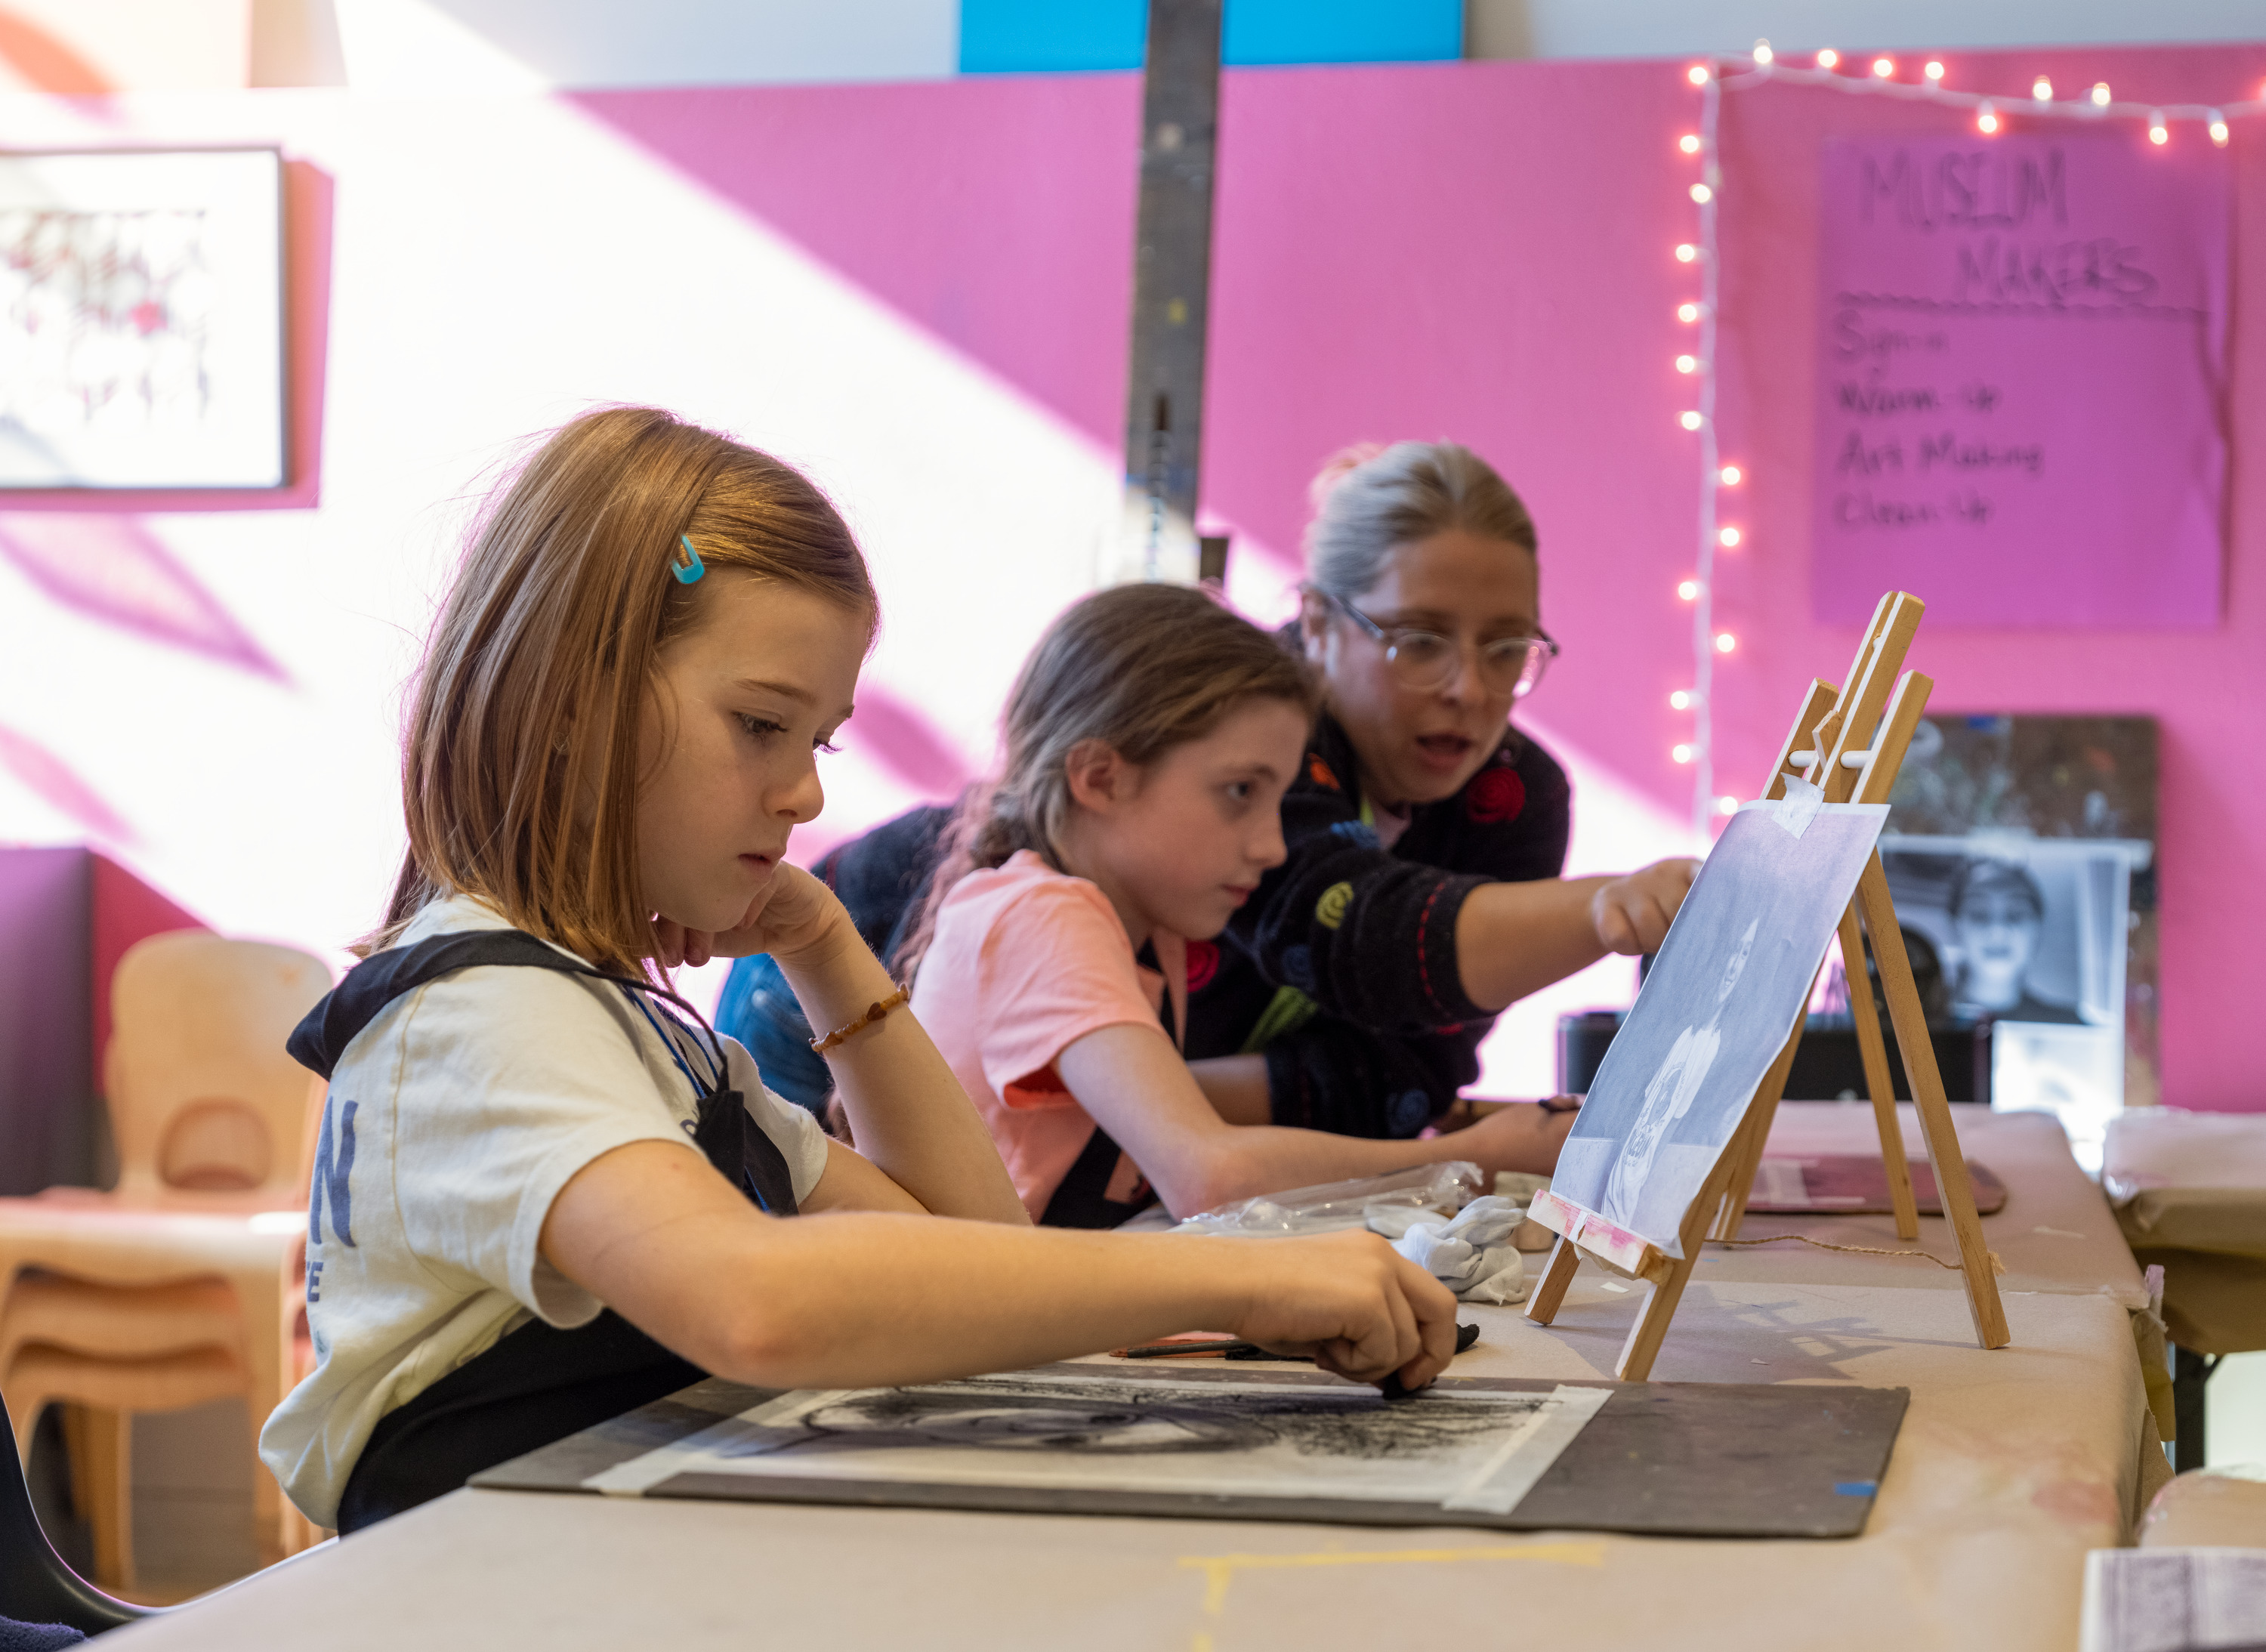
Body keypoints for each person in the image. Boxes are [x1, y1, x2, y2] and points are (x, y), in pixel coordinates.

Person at [257, 409, 1459, 1534]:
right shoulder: (481, 1009)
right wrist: (1237, 1280)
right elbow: (753, 1299)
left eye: (818, 738)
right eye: (761, 724)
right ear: (572, 703)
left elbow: (977, 1249)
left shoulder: (643, 1032)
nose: (807, 791)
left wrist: (825, 947)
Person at [719, 442, 1697, 1150]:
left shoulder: (1513, 796)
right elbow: (1357, 935)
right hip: (833, 982)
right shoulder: (1256, 731)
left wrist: (1138, 1099)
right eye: (1419, 640)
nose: (1468, 689)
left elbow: (1395, 1077)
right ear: (1318, 623)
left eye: (1506, 648)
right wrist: (1605, 912)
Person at [899, 582, 1580, 1229]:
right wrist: (1472, 1159)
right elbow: (1210, 1175)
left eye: (1277, 799)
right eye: (1240, 792)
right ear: (1101, 778)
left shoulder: (1148, 936)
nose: (1273, 846)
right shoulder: (1042, 917)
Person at [1948, 858, 2083, 1024]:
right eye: (1979, 913)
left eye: (2015, 913)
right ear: (1956, 925)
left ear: (2038, 928)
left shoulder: (2071, 1026)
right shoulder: (1919, 1021)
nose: (1997, 930)